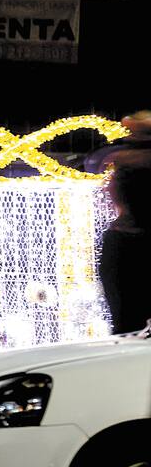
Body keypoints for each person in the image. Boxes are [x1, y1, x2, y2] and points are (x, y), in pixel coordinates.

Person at [98, 111, 151, 334]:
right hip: (126, 245)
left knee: (126, 323)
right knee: (126, 322)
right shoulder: (122, 160)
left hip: (126, 244)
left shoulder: (121, 160)